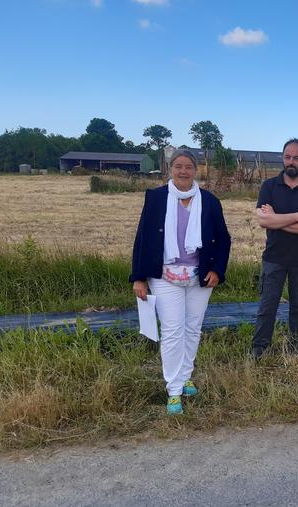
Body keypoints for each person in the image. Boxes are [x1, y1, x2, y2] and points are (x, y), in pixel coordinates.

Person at [130, 149, 231, 415]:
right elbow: (143, 239)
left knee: (193, 328)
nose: (183, 171)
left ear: (196, 171)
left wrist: (218, 271)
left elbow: (223, 240)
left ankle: (186, 377)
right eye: (178, 166)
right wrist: (138, 277)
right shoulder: (156, 198)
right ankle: (173, 390)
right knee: (173, 331)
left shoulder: (209, 201)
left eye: (188, 167)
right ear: (169, 169)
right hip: (164, 275)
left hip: (199, 275)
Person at [251, 138, 298, 358]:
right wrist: (296, 217)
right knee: (267, 306)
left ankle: (295, 348)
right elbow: (264, 221)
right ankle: (260, 349)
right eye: (287, 157)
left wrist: (277, 219)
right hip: (274, 257)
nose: (291, 161)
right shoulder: (269, 186)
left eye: (296, 158)